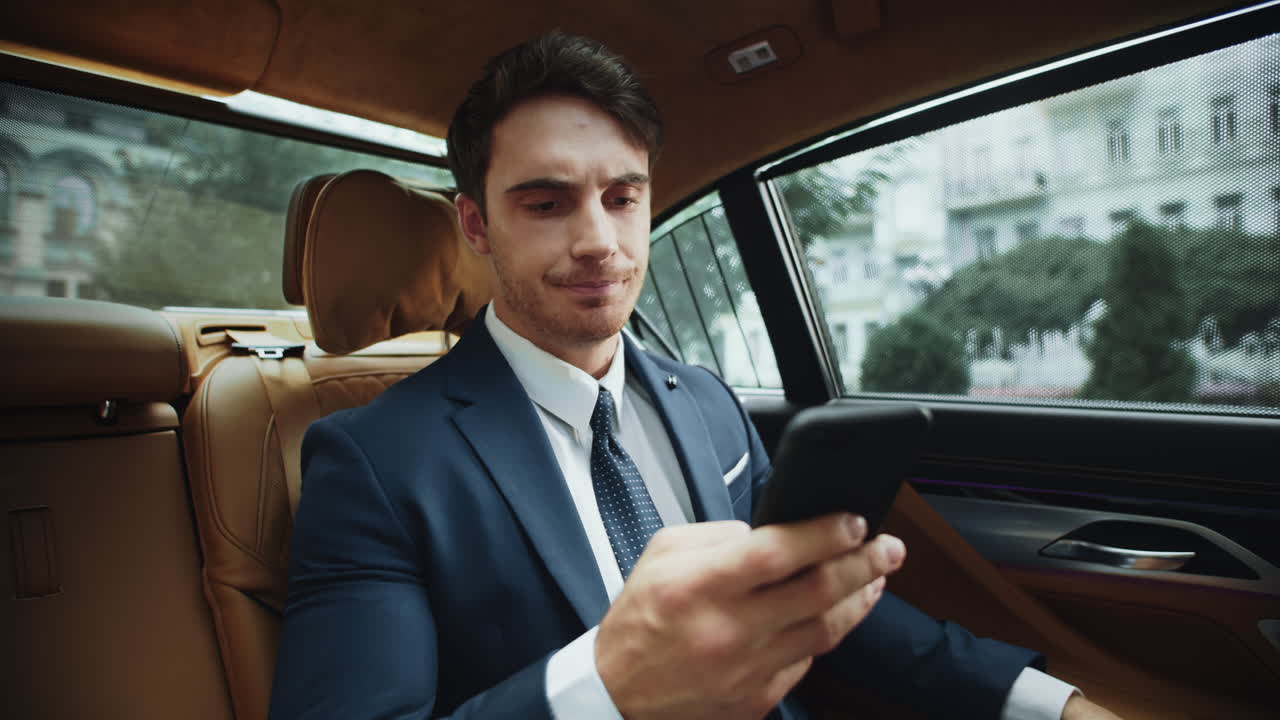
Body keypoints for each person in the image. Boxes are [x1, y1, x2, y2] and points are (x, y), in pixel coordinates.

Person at [269, 31, 1121, 720]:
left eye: (624, 196)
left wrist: (1047, 705)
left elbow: (818, 617)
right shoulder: (372, 462)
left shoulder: (707, 403)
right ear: (476, 226)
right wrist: (606, 687)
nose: (600, 239)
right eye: (545, 202)